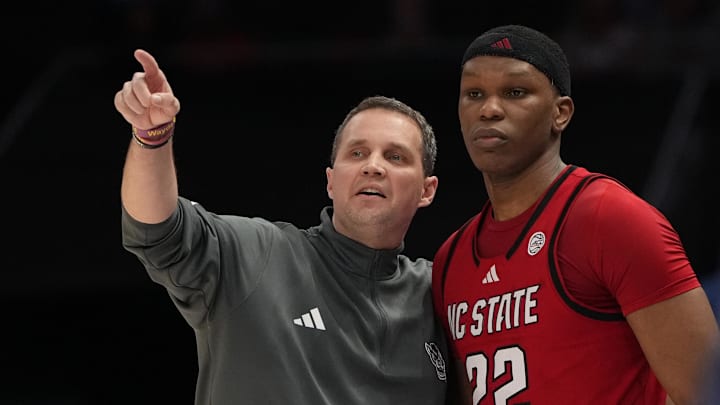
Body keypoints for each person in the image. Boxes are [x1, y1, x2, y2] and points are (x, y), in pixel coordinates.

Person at [114, 49, 449, 404]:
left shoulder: (443, 292)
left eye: (395, 157)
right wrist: (153, 136)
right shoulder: (258, 254)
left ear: (426, 190)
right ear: (331, 182)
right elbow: (158, 230)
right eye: (357, 153)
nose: (373, 166)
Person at [431, 24, 720, 405]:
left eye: (515, 92)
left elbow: (706, 391)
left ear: (561, 113)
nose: (489, 109)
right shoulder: (450, 261)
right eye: (474, 94)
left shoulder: (608, 219)